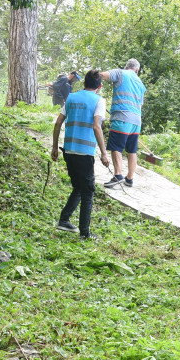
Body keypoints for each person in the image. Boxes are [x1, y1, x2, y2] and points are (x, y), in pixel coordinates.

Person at [50, 69, 110, 239]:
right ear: (99, 86)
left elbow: (58, 123)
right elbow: (97, 126)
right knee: (88, 191)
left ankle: (64, 220)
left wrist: (55, 147)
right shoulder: (99, 100)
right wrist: (104, 154)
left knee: (78, 186)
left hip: (68, 150)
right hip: (84, 153)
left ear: (83, 84)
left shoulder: (71, 98)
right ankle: (85, 233)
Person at [99, 59, 146, 188]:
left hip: (122, 117)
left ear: (127, 67)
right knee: (132, 151)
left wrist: (94, 82)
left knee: (116, 147)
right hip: (136, 121)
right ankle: (129, 179)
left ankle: (118, 175)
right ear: (137, 70)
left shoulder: (120, 73)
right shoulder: (141, 84)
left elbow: (102, 75)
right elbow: (140, 105)